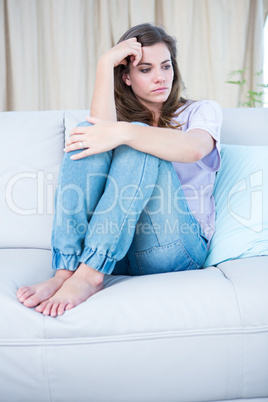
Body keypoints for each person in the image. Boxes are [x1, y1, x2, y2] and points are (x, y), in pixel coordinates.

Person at [17, 23, 222, 317]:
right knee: (90, 132)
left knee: (138, 136)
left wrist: (126, 133)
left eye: (166, 66)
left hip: (175, 246)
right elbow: (96, 135)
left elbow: (195, 149)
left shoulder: (200, 111)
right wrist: (105, 64)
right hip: (118, 251)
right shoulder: (119, 121)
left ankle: (89, 275)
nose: (160, 77)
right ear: (126, 76)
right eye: (146, 69)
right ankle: (66, 269)